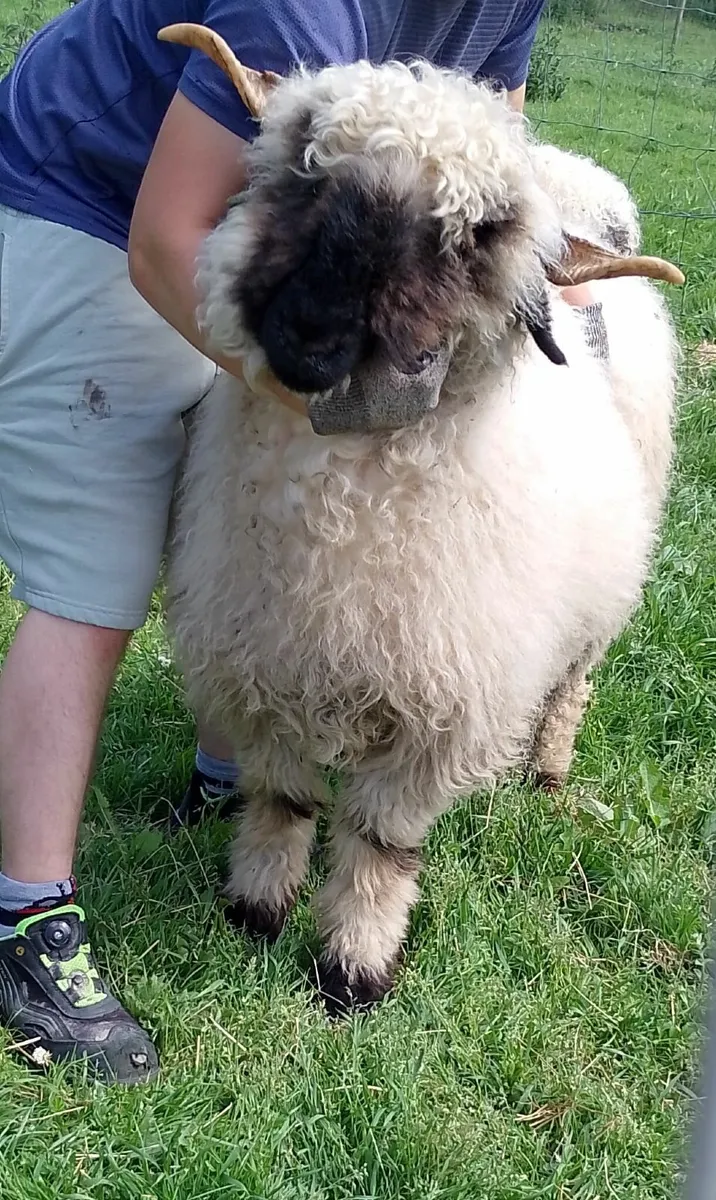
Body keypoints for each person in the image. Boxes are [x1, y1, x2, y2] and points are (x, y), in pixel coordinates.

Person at [0, 0, 593, 1085]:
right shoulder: (304, 5)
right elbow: (165, 239)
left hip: (269, 220)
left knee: (251, 505)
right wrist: (328, 398)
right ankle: (27, 916)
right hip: (88, 203)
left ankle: (232, 774)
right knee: (103, 560)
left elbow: (493, 143)